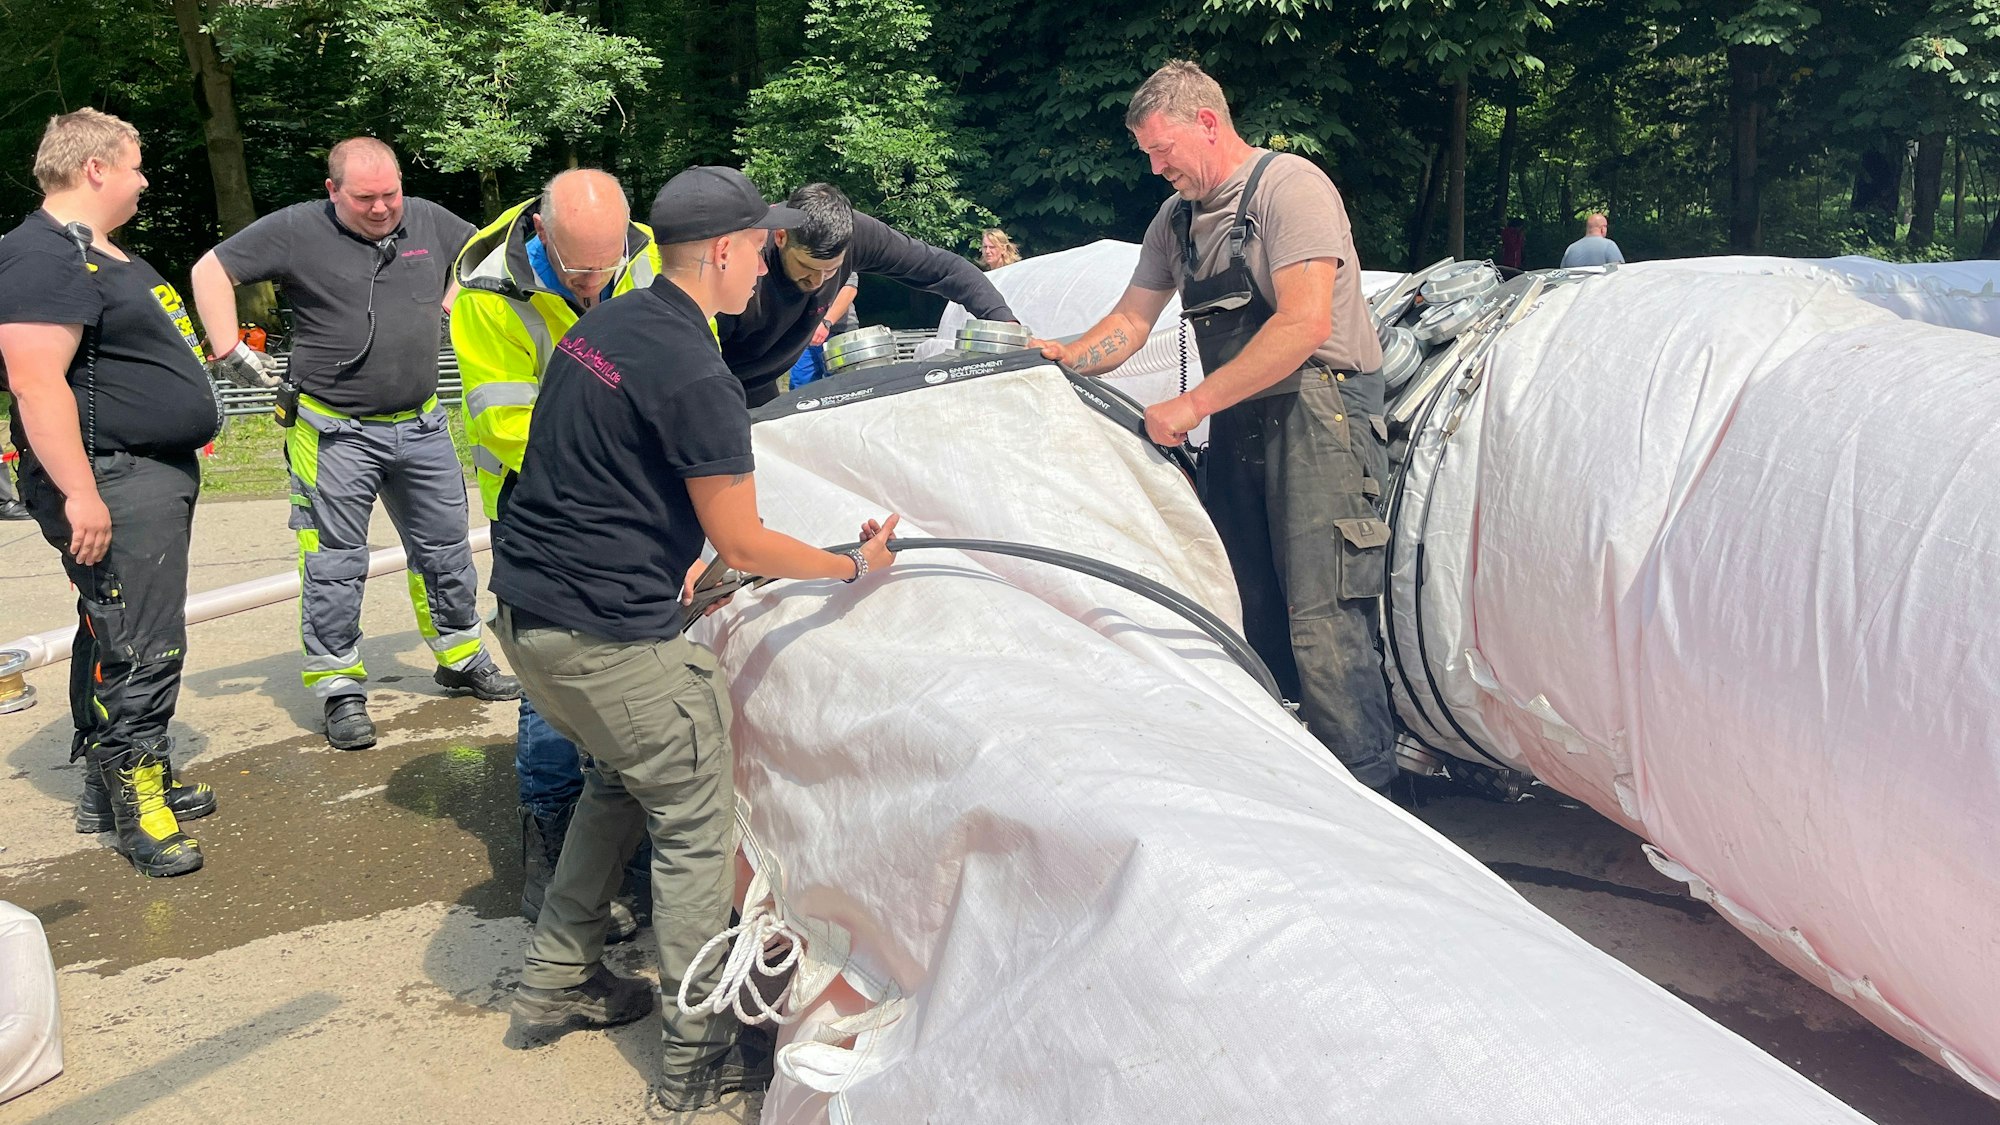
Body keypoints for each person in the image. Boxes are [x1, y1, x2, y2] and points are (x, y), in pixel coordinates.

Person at [490, 165, 902, 1120]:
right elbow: (747, 541)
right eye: (758, 248)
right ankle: (697, 1055)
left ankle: (556, 979)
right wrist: (853, 567)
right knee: (691, 821)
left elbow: (603, 473)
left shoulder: (608, 325)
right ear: (721, 250)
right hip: (608, 641)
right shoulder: (699, 373)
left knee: (615, 779)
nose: (766, 267)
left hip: (528, 619)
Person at [1044, 60, 1397, 793]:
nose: (1155, 166)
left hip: (1321, 414)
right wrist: (1064, 359)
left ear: (1207, 121)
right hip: (1240, 423)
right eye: (1146, 152)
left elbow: (1305, 323)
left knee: (1323, 618)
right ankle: (1289, 785)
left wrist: (1193, 404)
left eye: (1162, 148)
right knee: (1246, 607)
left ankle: (1372, 800)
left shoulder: (1289, 191)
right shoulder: (1174, 221)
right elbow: (1131, 321)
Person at [189, 137, 519, 752]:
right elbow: (210, 268)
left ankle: (461, 656)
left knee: (447, 548)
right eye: (364, 197)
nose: (381, 207)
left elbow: (489, 252)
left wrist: (454, 299)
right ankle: (338, 685)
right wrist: (227, 345)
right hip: (334, 431)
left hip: (422, 425)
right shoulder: (295, 229)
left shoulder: (427, 219)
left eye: (390, 193)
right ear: (331, 191)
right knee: (335, 563)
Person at [0, 108, 220, 875]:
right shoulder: (43, 256)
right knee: (144, 643)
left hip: (141, 471)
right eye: (134, 164)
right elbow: (34, 380)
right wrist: (80, 492)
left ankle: (119, 778)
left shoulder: (89, 252)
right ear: (94, 168)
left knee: (112, 628)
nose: (144, 177)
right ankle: (137, 805)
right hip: (112, 477)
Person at [451, 167, 662, 940]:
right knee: (549, 676)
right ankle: (550, 829)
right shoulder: (485, 289)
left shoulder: (642, 254)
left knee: (630, 658)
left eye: (609, 266)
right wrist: (626, 431)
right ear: (541, 235)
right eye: (581, 271)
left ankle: (622, 836)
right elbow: (509, 424)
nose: (599, 283)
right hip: (537, 503)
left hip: (632, 490)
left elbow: (681, 349)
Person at [715, 182, 1017, 405]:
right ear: (781, 237)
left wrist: (1004, 321)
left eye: (831, 270)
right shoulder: (747, 256)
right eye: (807, 267)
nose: (818, 282)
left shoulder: (856, 233)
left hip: (763, 381)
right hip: (717, 378)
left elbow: (941, 268)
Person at [784, 273, 858, 390]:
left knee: (843, 385)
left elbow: (849, 290)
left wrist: (826, 322)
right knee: (801, 386)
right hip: (804, 334)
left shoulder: (844, 257)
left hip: (840, 332)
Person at [1560, 212, 1624, 267]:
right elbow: (1619, 272)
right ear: (1602, 229)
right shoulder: (1609, 245)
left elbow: (1562, 272)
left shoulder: (1570, 248)